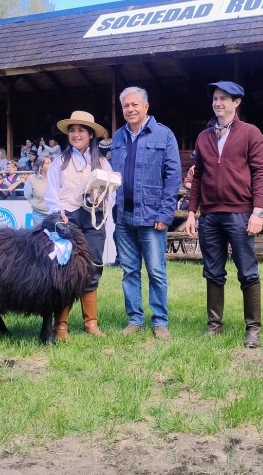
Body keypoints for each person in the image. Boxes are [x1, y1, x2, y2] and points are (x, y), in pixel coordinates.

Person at [184, 80, 263, 349]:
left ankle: (253, 328)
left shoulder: (251, 133)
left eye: (224, 98)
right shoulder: (203, 137)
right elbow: (197, 179)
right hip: (209, 215)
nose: (218, 103)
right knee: (213, 272)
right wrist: (191, 213)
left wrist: (257, 211)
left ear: (237, 102)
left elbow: (259, 174)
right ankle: (214, 324)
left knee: (248, 272)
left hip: (241, 214)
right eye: (215, 98)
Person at [109, 86, 182, 339]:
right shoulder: (117, 138)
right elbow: (111, 176)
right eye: (126, 106)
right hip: (123, 216)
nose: (130, 109)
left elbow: (173, 178)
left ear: (146, 107)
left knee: (156, 271)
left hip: (152, 217)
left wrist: (165, 215)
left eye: (134, 105)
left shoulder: (164, 135)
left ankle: (160, 321)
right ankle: (135, 319)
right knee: (129, 270)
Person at [46, 110, 112, 340]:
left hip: (93, 219)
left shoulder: (102, 163)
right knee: (66, 269)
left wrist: (101, 198)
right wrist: (59, 214)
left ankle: (90, 323)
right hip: (69, 220)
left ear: (91, 135)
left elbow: (110, 193)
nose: (76, 134)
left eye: (81, 130)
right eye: (72, 130)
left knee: (93, 266)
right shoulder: (59, 163)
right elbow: (51, 194)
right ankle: (61, 325)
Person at [23, 155, 51, 226]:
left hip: (55, 214)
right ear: (40, 166)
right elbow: (27, 195)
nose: (51, 165)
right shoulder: (31, 179)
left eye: (51, 162)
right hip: (39, 213)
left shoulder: (57, 177)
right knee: (39, 236)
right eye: (47, 163)